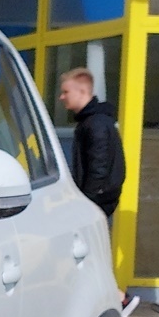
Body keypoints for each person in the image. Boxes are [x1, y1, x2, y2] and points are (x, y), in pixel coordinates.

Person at [58, 68, 125, 218]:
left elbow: (98, 168)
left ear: (82, 91)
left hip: (95, 204)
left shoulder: (95, 124)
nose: (61, 97)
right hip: (97, 202)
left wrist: (85, 203)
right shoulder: (92, 121)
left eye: (66, 92)